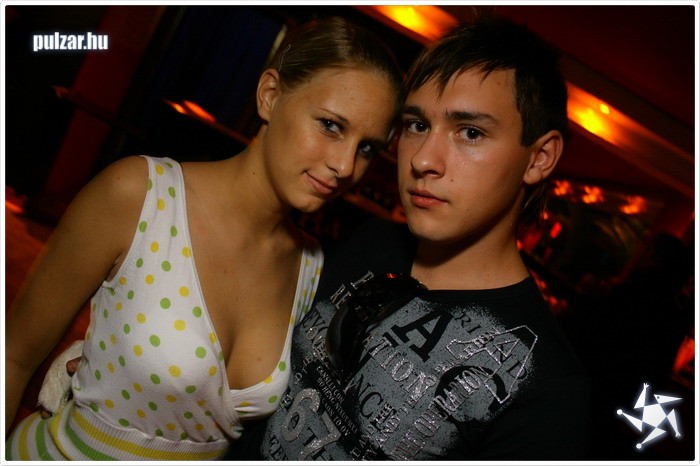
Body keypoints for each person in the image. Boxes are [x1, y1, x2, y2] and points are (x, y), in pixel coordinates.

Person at [5, 16, 402, 461]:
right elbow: (13, 357)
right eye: (330, 125)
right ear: (270, 95)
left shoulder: (311, 268)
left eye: (368, 148)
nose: (346, 166)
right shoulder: (140, 194)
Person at [254, 14, 591, 460]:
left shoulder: (546, 387)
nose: (423, 160)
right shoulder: (372, 243)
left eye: (470, 132)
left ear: (539, 157)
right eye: (417, 125)